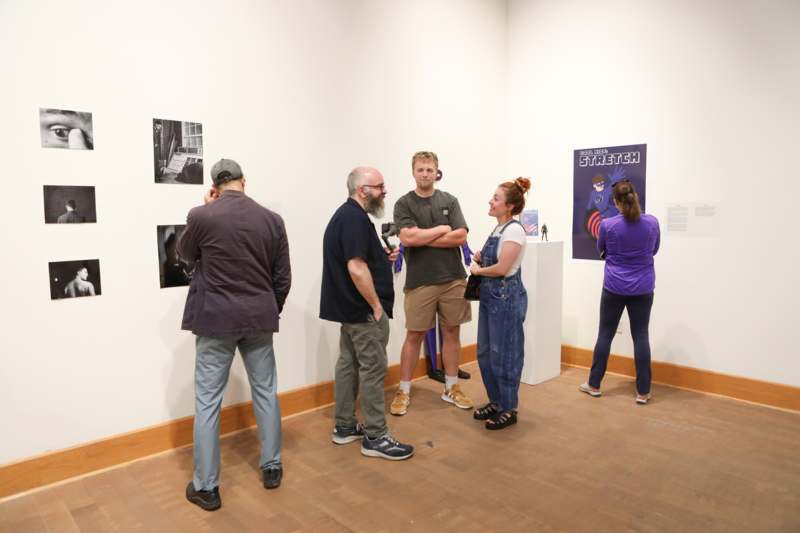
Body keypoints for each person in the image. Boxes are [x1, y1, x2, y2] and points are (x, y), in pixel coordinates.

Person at [178, 158, 291, 511]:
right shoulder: (272, 220)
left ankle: (207, 487)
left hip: (215, 320)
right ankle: (271, 467)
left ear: (215, 185)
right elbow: (282, 278)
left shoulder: (202, 216)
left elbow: (183, 257)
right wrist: (270, 308)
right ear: (244, 181)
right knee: (266, 393)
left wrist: (208, 206)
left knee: (208, 403)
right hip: (259, 317)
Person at [320, 167, 414, 460]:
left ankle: (345, 426)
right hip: (362, 312)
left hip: (349, 310)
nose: (385, 191)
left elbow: (361, 259)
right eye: (379, 186)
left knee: (348, 365)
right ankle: (375, 436)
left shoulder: (350, 216)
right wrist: (375, 306)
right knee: (373, 369)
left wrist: (381, 257)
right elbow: (356, 267)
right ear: (363, 190)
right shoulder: (354, 219)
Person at [390, 151, 473, 416]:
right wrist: (441, 229)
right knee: (414, 335)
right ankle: (403, 390)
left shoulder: (450, 200)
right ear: (413, 172)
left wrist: (422, 237)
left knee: (452, 333)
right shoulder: (404, 204)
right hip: (420, 281)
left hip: (453, 279)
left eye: (429, 169)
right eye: (420, 169)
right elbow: (408, 238)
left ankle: (451, 387)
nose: (425, 174)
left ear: (437, 172)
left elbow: (460, 236)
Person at [579, 179, 660, 404]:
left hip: (614, 286)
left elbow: (601, 250)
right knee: (641, 336)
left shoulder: (608, 225)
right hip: (643, 286)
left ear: (615, 202)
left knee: (605, 334)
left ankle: (594, 385)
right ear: (635, 197)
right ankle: (643, 392)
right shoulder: (652, 222)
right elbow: (654, 249)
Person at [469, 178, 531, 430]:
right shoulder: (498, 230)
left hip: (505, 298)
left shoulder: (514, 230)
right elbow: (496, 260)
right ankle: (496, 401)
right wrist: (481, 259)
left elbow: (504, 268)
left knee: (504, 355)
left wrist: (478, 270)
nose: (490, 201)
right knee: (485, 353)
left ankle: (509, 408)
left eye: (496, 198)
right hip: (490, 298)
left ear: (509, 206)